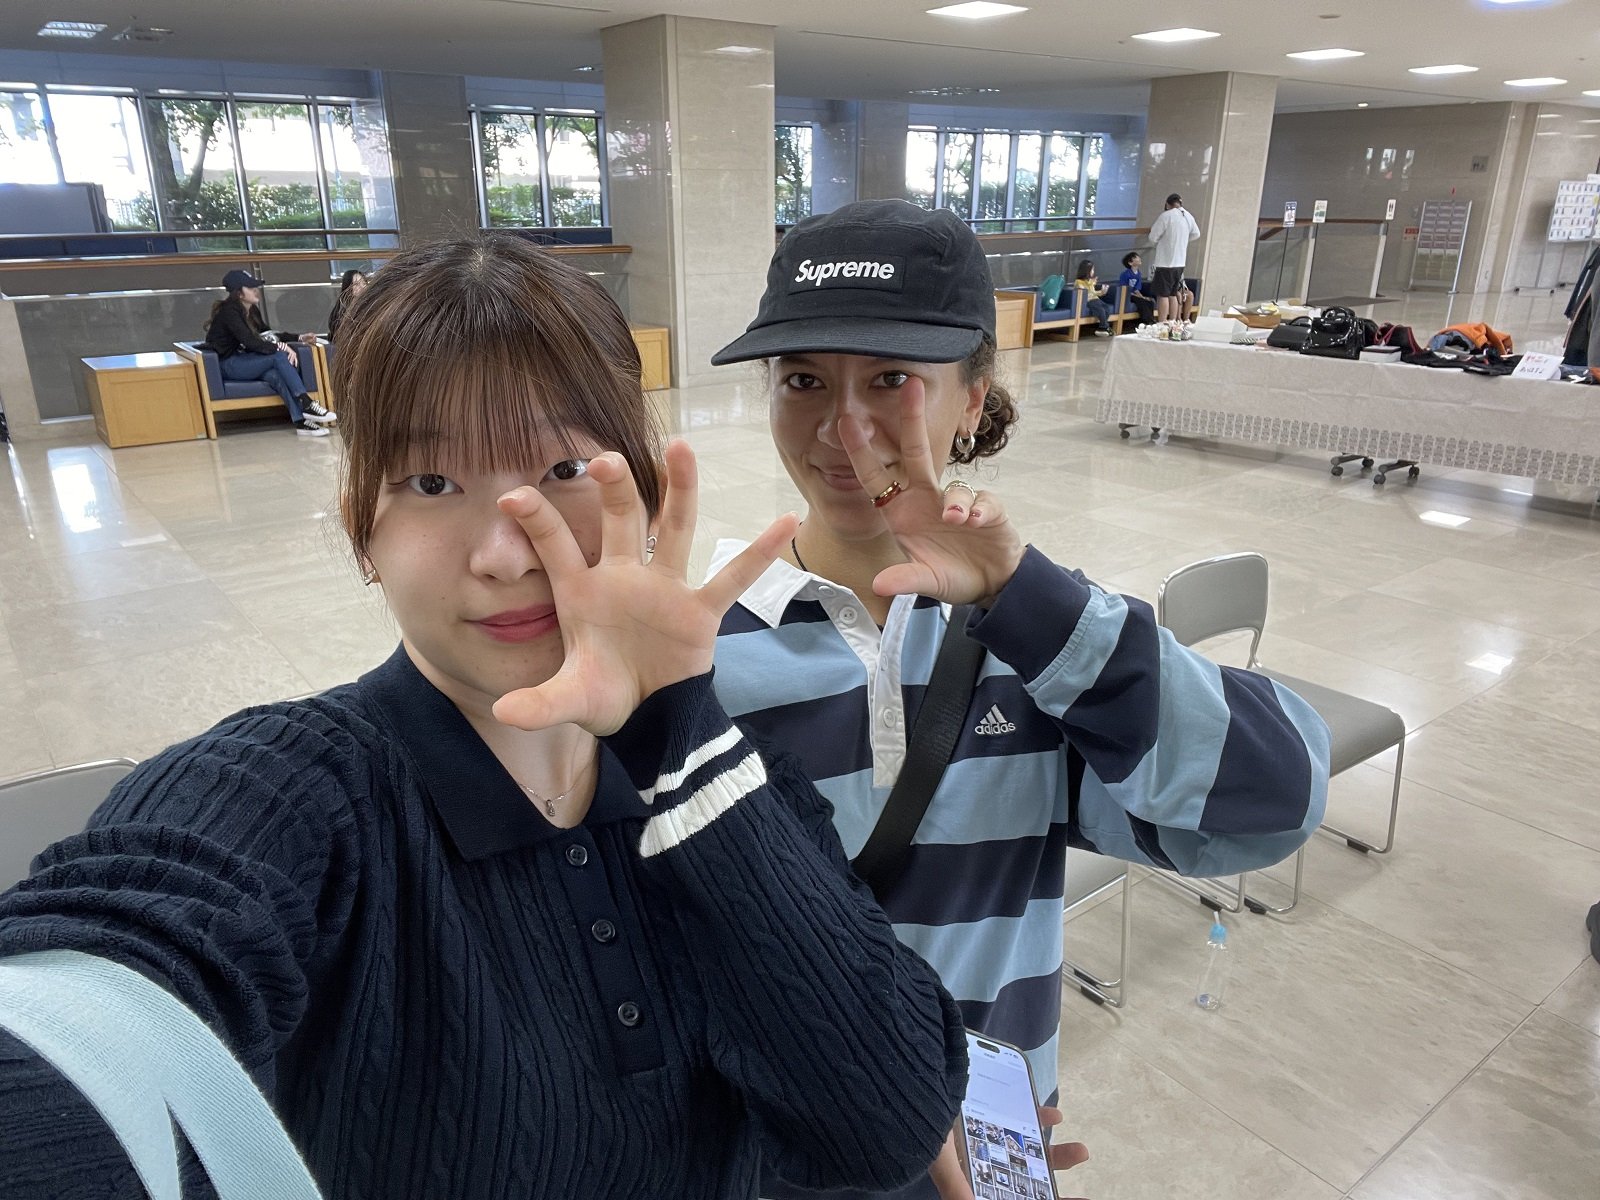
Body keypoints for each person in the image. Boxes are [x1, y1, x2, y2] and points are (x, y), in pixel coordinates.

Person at [0, 235, 968, 1199]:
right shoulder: (288, 792)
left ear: (640, 485)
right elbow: (95, 995)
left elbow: (879, 1132)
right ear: (362, 525)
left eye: (558, 472)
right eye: (431, 484)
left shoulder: (729, 775)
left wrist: (677, 729)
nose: (506, 555)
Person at [708, 199, 1331, 1200]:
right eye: (803, 380)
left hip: (984, 1149)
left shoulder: (1046, 647)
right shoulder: (703, 651)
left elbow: (1271, 806)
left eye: (891, 380)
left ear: (972, 399)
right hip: (775, 1156)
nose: (842, 428)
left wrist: (1030, 605)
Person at [202, 268, 338, 437]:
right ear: (239, 293)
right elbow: (251, 342)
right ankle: (306, 402)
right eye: (250, 287)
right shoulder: (229, 312)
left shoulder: (251, 310)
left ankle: (301, 422)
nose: (255, 290)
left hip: (242, 359)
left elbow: (267, 335)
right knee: (278, 357)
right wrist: (281, 347)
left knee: (274, 375)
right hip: (228, 364)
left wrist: (298, 337)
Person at [1148, 193, 1200, 323]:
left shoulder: (1166, 216)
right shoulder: (1188, 216)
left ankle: (1162, 321)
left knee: (1163, 294)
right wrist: (1184, 241)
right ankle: (1172, 321)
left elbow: (1153, 237)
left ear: (1167, 204)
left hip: (1166, 261)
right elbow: (1196, 234)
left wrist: (1161, 242)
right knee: (1173, 293)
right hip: (1180, 261)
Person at [1071, 260, 1114, 337]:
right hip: (1088, 301)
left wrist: (1102, 292)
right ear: (1086, 271)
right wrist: (1091, 284)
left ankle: (1103, 327)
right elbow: (1086, 294)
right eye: (1092, 269)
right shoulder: (1078, 282)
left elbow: (1094, 293)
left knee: (1106, 308)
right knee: (1100, 310)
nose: (1093, 271)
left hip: (1096, 299)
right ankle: (1103, 327)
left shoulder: (1090, 281)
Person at [326, 267, 369, 343]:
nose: (362, 287)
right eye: (356, 284)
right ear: (348, 286)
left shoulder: (370, 305)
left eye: (364, 283)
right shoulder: (341, 309)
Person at [1117, 250, 1156, 326]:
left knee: (1149, 301)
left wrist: (1142, 297)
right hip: (1126, 295)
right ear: (1130, 263)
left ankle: (1151, 320)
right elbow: (1123, 288)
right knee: (1140, 301)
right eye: (1135, 257)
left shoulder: (1138, 274)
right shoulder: (1125, 274)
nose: (1139, 258)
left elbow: (1137, 289)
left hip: (1134, 294)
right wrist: (1138, 297)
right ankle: (1146, 321)